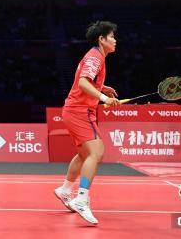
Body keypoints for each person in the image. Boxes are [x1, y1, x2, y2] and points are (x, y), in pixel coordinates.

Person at [54, 21, 120, 225]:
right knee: (96, 152)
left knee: (85, 154)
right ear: (101, 39)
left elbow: (85, 79)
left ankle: (65, 190)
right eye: (112, 37)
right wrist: (104, 97)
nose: (115, 40)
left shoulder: (96, 56)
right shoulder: (95, 57)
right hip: (80, 111)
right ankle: (82, 199)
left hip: (75, 110)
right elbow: (83, 82)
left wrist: (102, 86)